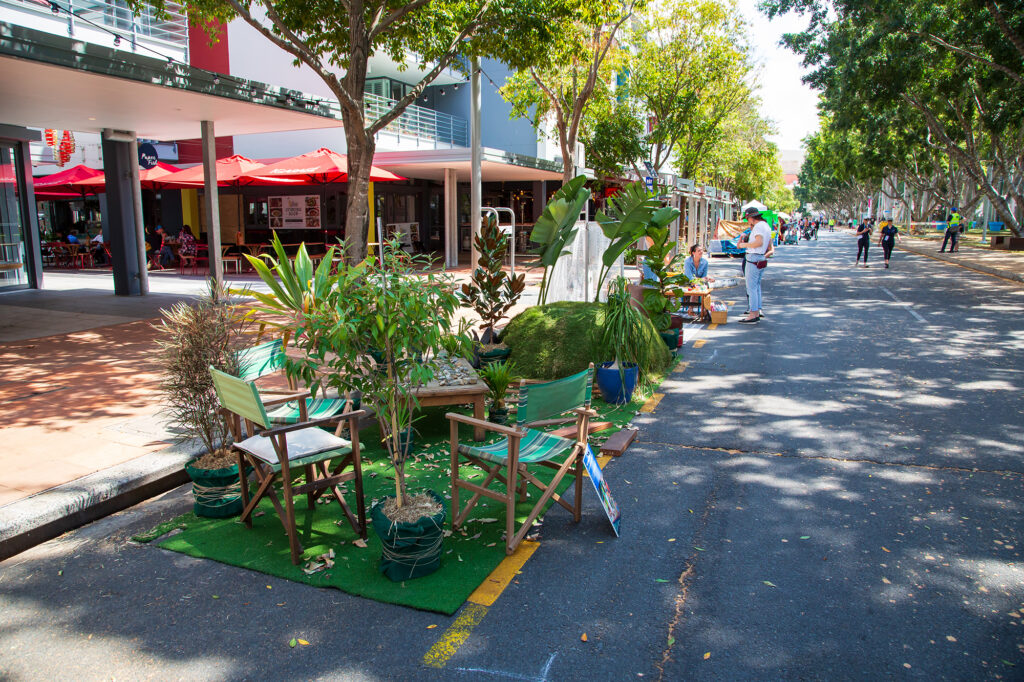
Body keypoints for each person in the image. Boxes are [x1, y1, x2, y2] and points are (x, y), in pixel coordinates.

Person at [736, 207, 772, 324]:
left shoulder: (759, 226)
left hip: (754, 257)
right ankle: (756, 311)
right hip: (760, 257)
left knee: (751, 287)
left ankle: (753, 313)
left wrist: (743, 245)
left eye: (747, 219)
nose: (747, 221)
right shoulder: (765, 225)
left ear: (751, 217)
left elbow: (758, 242)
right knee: (756, 287)